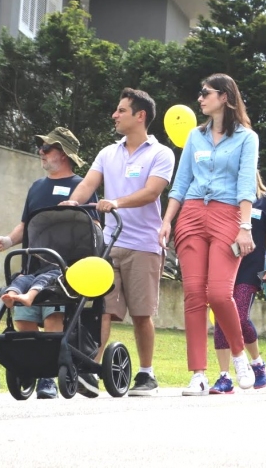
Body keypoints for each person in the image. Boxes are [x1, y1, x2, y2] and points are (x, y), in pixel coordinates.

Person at [63, 88, 175, 398]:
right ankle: (92, 369)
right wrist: (73, 203)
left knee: (141, 314)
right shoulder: (107, 153)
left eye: (121, 110)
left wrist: (116, 202)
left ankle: (147, 374)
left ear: (140, 116)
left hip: (144, 245)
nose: (115, 115)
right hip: (110, 244)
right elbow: (88, 183)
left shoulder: (161, 153)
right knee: (103, 309)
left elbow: (152, 192)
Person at [159, 74, 260, 396]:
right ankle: (198, 374)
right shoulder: (195, 136)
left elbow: (246, 185)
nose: (200, 98)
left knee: (218, 293)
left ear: (225, 97)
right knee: (193, 294)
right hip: (190, 214)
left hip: (227, 215)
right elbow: (181, 182)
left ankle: (239, 355)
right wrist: (167, 221)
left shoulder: (247, 138)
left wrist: (245, 226)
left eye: (206, 93)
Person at [0, 126, 97, 399]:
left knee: (52, 316)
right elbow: (25, 225)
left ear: (63, 154)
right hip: (32, 264)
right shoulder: (36, 187)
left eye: (47, 148)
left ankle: (48, 379)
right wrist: (8, 240)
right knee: (23, 316)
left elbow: (94, 227)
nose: (41, 152)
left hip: (62, 268)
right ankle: (32, 369)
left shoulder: (81, 187)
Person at [209, 171, 266, 394]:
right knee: (221, 319)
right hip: (223, 265)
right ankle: (224, 377)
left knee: (239, 317)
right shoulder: (224, 197)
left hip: (249, 269)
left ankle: (257, 363)